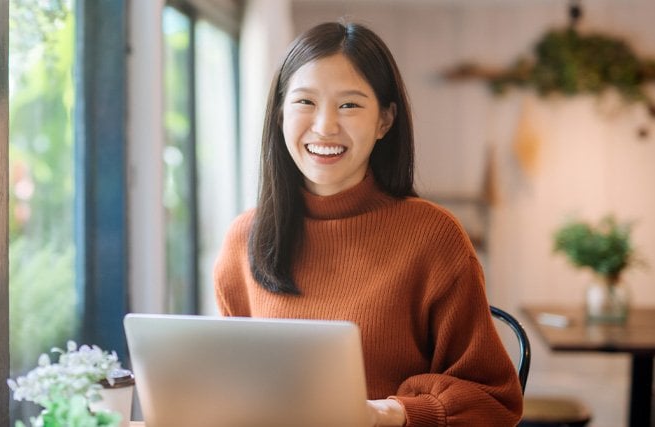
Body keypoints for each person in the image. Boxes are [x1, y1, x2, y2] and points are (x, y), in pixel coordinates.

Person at [213, 21, 523, 426]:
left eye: (349, 105)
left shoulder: (433, 237)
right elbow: (227, 382)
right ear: (279, 114)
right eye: (305, 102)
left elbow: (494, 400)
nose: (325, 126)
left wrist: (389, 414)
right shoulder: (245, 238)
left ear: (385, 121)